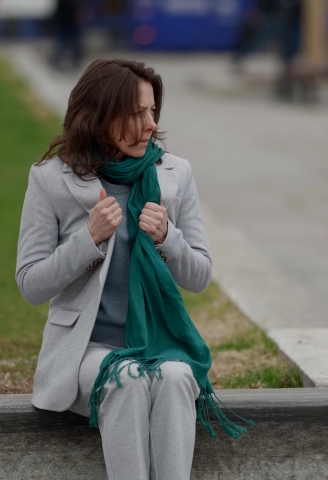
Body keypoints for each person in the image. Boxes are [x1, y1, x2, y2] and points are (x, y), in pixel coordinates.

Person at [16, 59, 250, 480]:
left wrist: (167, 238)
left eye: (153, 111)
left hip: (160, 342)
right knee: (125, 378)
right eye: (137, 113)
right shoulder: (51, 180)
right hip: (88, 348)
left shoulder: (175, 173)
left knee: (178, 377)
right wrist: (87, 240)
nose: (150, 123)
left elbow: (199, 276)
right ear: (101, 116)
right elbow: (30, 284)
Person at [49, 0, 83, 71]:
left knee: (76, 44)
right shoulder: (63, 2)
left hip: (71, 24)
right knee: (60, 44)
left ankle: (75, 61)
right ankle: (56, 61)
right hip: (63, 24)